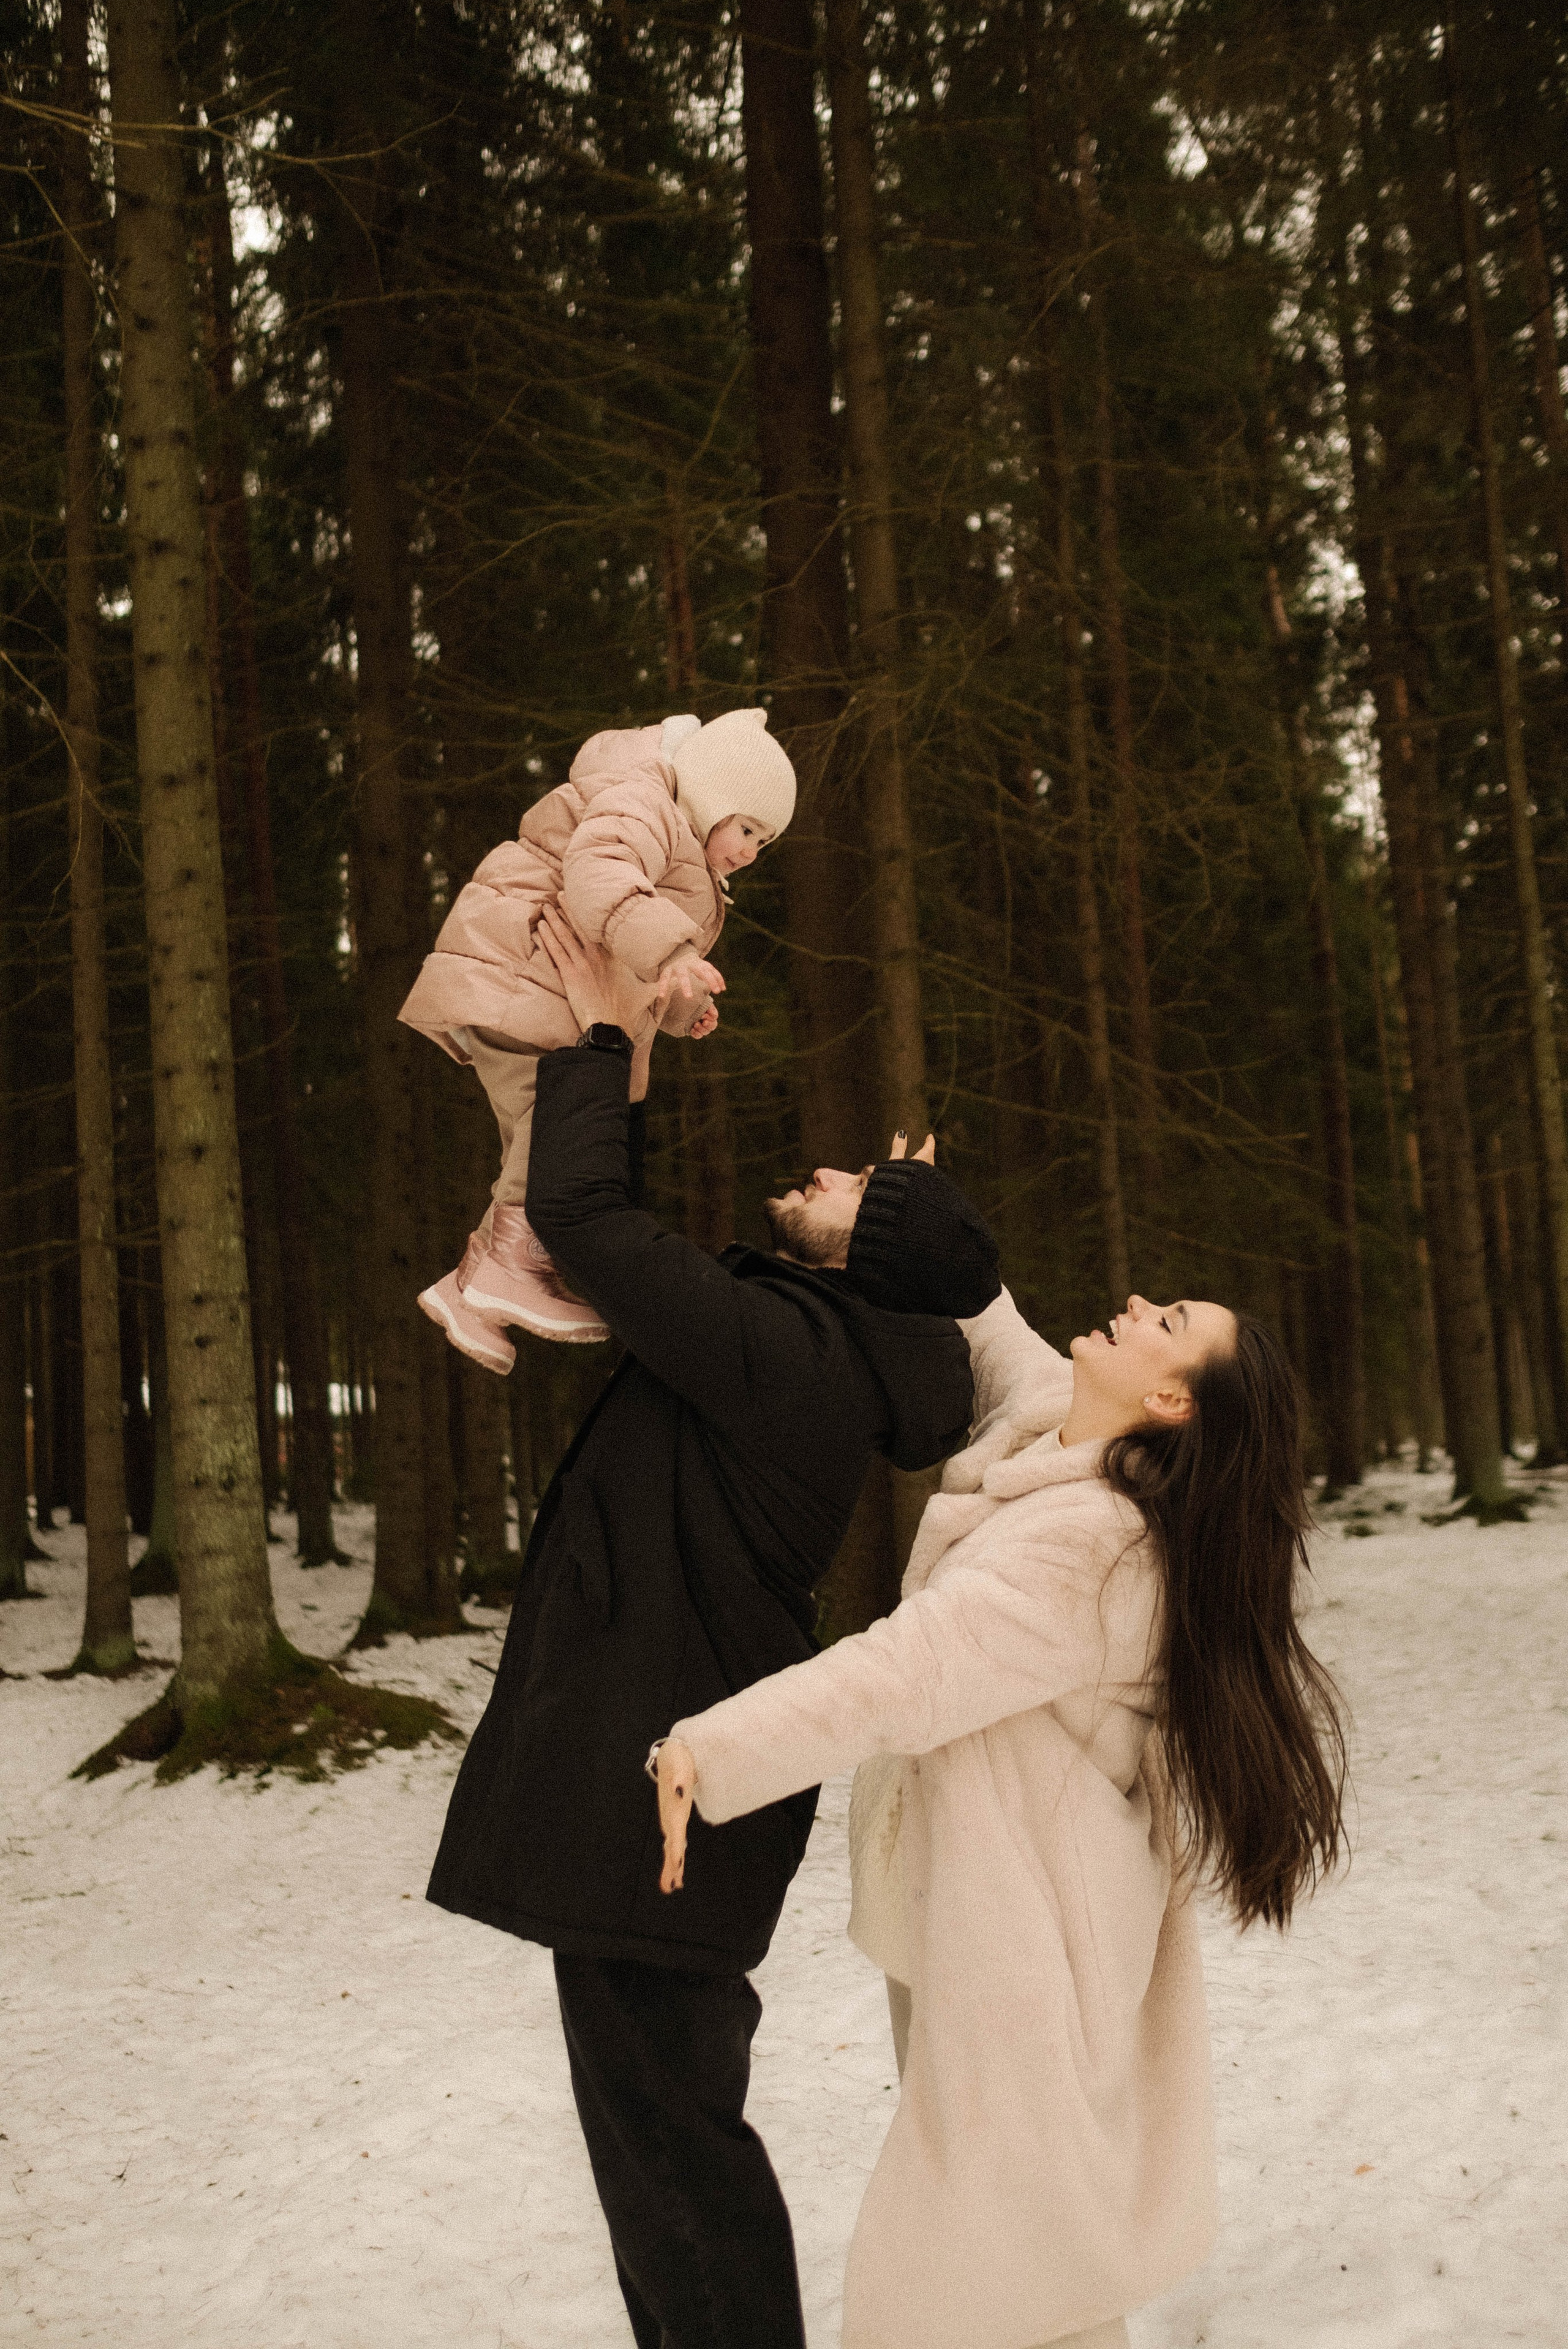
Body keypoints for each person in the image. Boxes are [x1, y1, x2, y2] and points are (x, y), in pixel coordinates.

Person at [424, 915, 1004, 2349]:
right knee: (663, 2145)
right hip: (672, 1785)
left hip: (666, 1796)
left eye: (853, 1182)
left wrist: (602, 1018)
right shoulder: (827, 1344)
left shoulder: (794, 1357)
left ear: (871, 1250)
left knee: (673, 2157)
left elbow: (588, 1218)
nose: (820, 1169)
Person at [654, 1280, 1349, 2349]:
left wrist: (712, 1749)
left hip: (1024, 1954)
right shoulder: (1079, 1455)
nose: (1136, 1301)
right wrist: (916, 1240)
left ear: (1169, 1399)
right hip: (981, 1919)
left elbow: (908, 1670)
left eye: (1167, 1323)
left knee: (979, 2275)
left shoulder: (1090, 1552)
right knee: (1031, 2260)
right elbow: (1011, 1352)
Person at [399, 706, 794, 1361]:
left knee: (533, 1138)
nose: (750, 852)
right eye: (747, 827)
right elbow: (600, 877)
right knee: (552, 1125)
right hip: (523, 975)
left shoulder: (679, 844)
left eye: (765, 843)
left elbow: (630, 955)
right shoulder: (643, 803)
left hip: (542, 993)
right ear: (711, 794)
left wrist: (678, 1004)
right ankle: (514, 1267)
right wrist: (672, 954)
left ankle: (469, 1292)